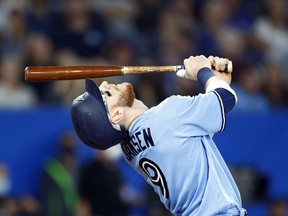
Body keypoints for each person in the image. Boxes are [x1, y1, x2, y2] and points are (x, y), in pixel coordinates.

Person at [70, 55, 247, 216]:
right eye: (105, 95)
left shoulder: (129, 149)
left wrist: (217, 80)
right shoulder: (168, 114)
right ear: (116, 115)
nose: (105, 84)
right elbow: (225, 98)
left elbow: (196, 138)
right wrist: (203, 71)